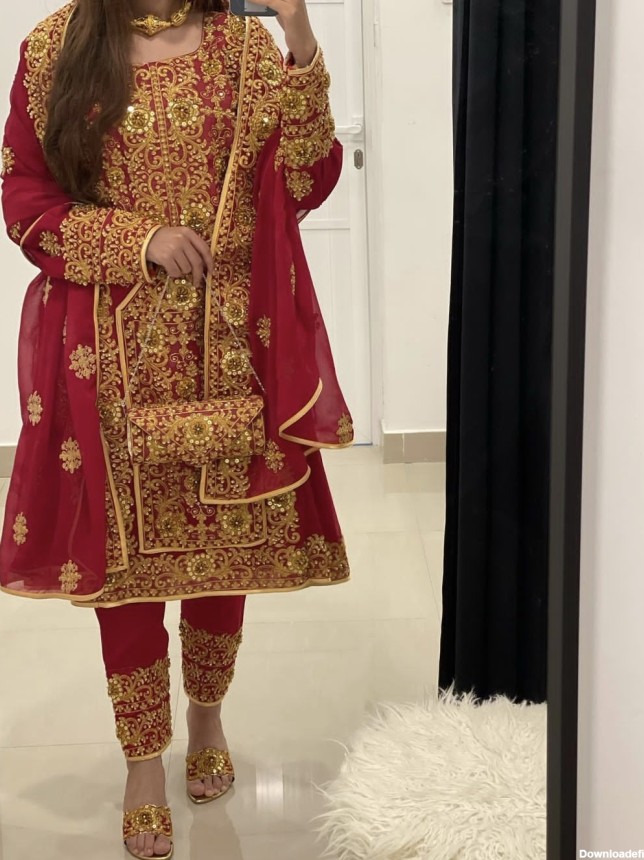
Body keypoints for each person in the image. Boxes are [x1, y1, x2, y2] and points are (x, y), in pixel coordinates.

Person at [0, 0, 353, 856]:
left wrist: (301, 39)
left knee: (221, 551)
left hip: (230, 341)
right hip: (107, 351)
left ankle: (207, 718)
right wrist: (141, 239)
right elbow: (24, 199)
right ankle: (141, 765)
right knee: (125, 568)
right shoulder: (56, 47)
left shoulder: (244, 47)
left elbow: (306, 179)